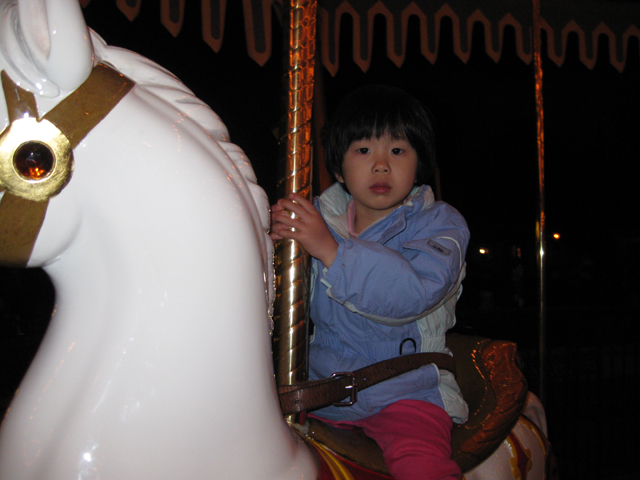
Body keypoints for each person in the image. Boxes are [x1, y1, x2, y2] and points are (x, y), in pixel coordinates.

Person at [270, 85, 469, 480]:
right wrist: (279, 256)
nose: (380, 165)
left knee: (421, 468)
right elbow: (288, 306)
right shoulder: (320, 224)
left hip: (406, 392)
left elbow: (412, 294)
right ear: (340, 168)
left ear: (419, 163)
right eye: (363, 150)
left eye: (397, 151)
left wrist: (331, 252)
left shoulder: (440, 224)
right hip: (325, 391)